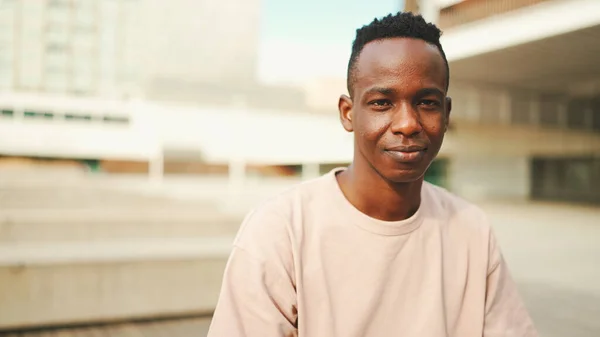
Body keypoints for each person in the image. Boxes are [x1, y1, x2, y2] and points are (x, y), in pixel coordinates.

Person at [208, 12, 538, 337]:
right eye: (382, 103)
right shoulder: (280, 231)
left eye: (426, 103)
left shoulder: (471, 229)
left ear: (446, 113)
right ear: (348, 113)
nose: (408, 123)